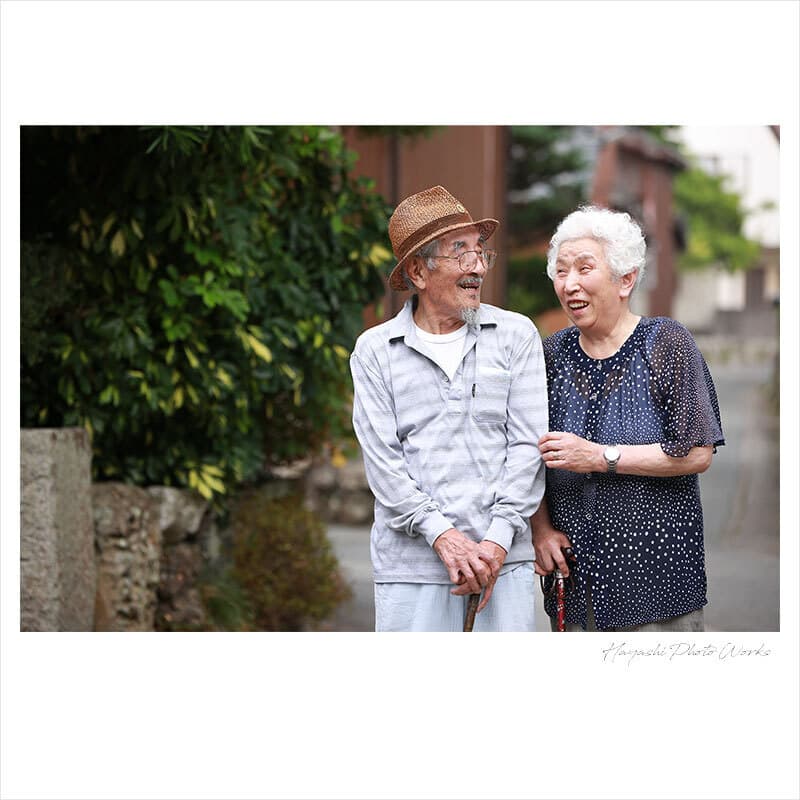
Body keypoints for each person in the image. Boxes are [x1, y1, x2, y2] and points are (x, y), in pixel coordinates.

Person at [350, 185, 548, 631]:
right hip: (411, 569)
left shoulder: (515, 335)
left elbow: (527, 447)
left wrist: (496, 543)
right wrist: (443, 536)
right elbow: (384, 466)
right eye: (460, 252)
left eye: (480, 252)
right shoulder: (375, 351)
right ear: (418, 272)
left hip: (504, 563)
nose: (477, 266)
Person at [532, 205, 725, 632]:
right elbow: (524, 456)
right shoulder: (550, 355)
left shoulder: (666, 343)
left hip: (659, 587)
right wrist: (540, 530)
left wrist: (601, 457)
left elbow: (698, 452)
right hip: (577, 584)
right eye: (561, 271)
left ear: (626, 279)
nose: (569, 283)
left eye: (585, 268)